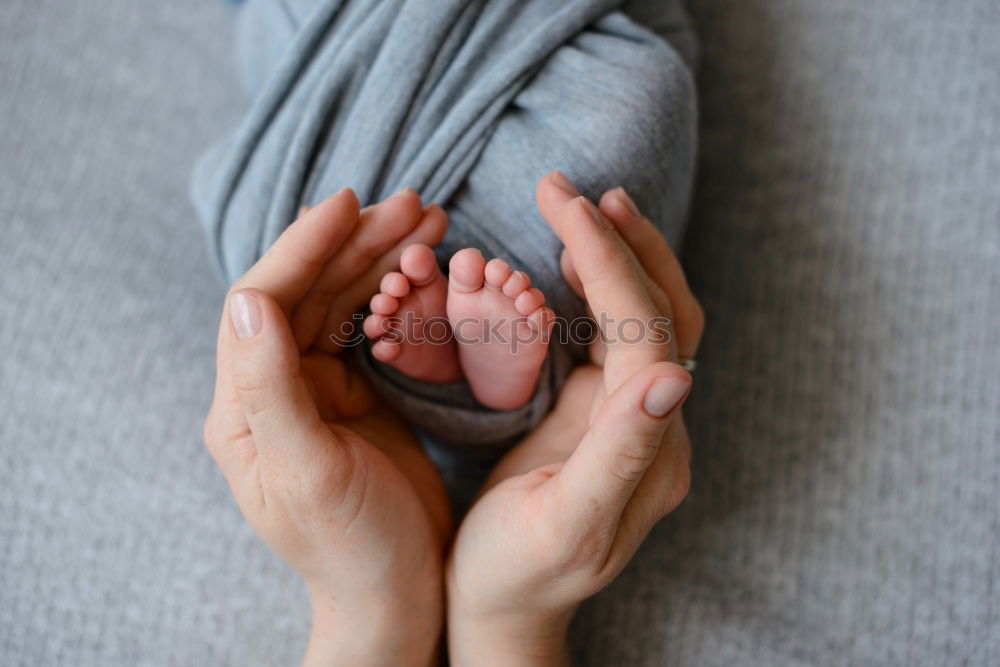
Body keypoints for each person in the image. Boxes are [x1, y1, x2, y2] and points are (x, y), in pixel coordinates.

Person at [203, 172, 703, 664]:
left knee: (280, 257)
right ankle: (473, 390)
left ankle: (448, 386)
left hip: (362, 388)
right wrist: (508, 629)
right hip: (555, 399)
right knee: (613, 181)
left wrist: (374, 609)